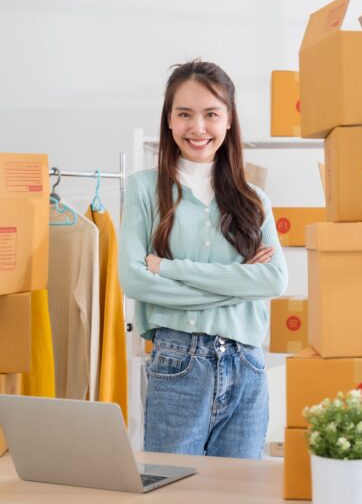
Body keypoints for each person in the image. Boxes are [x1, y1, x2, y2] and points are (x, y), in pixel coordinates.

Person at [119, 60, 288, 460]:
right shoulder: (144, 190)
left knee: (239, 495)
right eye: (185, 114)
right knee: (174, 490)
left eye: (211, 114)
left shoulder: (253, 200)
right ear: (170, 121)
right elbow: (135, 281)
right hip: (177, 363)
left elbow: (275, 281)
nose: (198, 128)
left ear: (228, 121)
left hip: (247, 367)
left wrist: (172, 269)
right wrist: (237, 286)